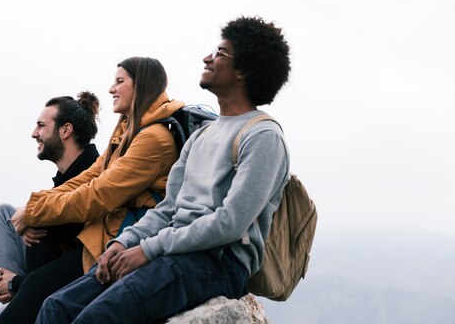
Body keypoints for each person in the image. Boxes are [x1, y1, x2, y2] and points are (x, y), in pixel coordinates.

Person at [35, 16, 293, 324]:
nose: (207, 58)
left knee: (98, 317)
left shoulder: (262, 136)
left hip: (216, 262)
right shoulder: (200, 135)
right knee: (56, 307)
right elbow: (169, 207)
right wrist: (123, 243)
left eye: (221, 53)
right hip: (171, 251)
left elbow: (230, 223)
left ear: (243, 71)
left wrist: (148, 249)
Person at [0, 56, 185, 324]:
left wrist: (35, 213)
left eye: (120, 82)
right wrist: (34, 208)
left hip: (123, 241)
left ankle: (18, 291)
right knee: (13, 224)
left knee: (43, 293)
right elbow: (89, 177)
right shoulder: (129, 131)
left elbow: (99, 195)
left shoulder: (154, 139)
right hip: (104, 236)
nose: (111, 89)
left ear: (141, 86)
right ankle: (18, 292)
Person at [0, 92, 100, 324]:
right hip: (37, 278)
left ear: (66, 131)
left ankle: (17, 290)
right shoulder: (64, 179)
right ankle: (9, 286)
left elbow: (71, 265)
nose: (33, 133)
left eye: (41, 126)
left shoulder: (92, 176)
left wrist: (33, 218)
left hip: (60, 286)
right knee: (1, 214)